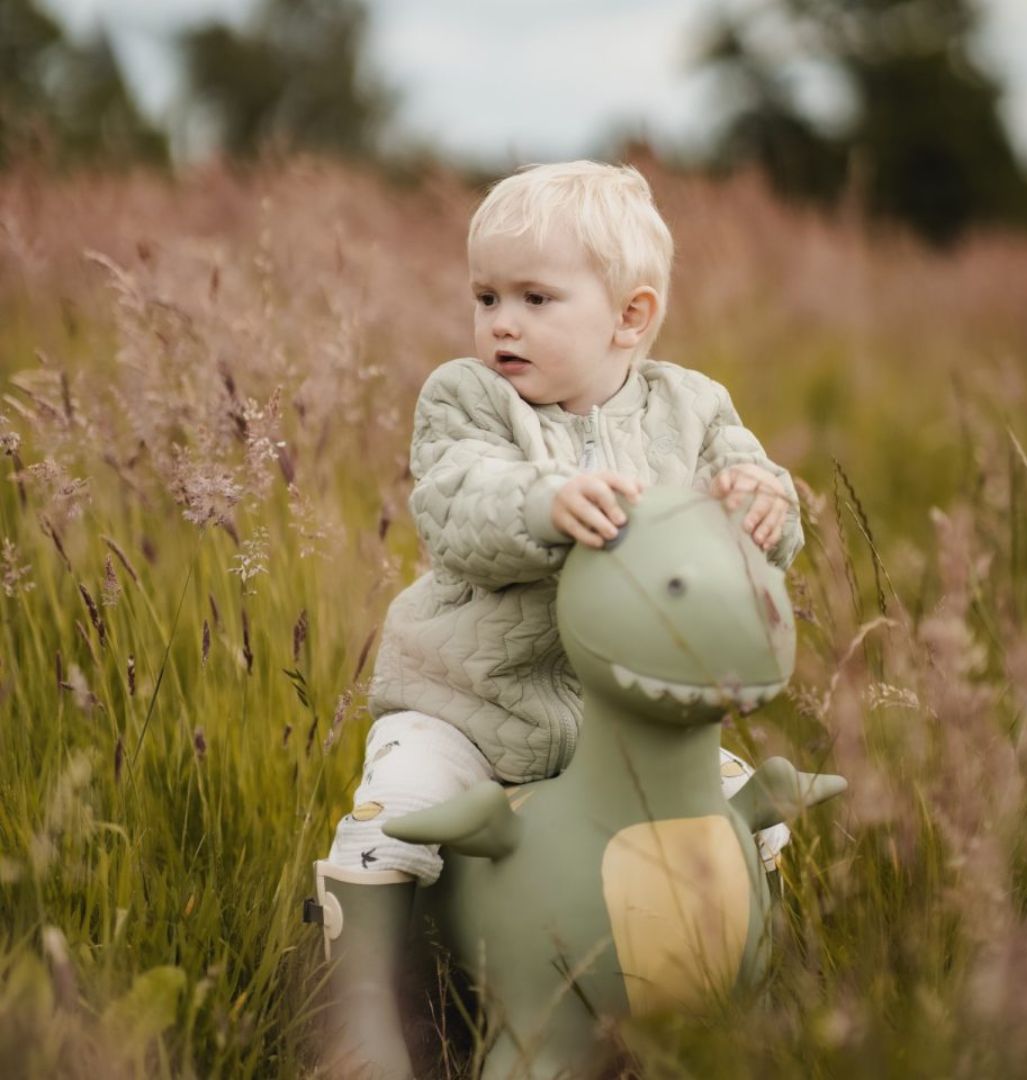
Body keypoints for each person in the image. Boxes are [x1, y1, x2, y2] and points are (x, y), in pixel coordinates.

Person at [310, 161, 803, 1078]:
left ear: (630, 316)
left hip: (623, 721)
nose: (502, 321)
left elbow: (753, 522)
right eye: (486, 294)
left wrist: (762, 503)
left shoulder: (694, 409)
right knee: (396, 812)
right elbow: (458, 504)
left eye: (536, 297)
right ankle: (365, 1011)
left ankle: (752, 986)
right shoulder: (466, 399)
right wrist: (544, 502)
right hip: (471, 701)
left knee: (749, 811)